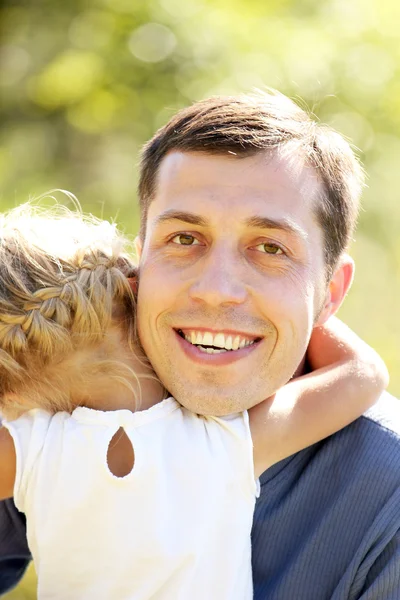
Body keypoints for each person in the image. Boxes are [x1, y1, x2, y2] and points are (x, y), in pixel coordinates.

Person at [0, 89, 399, 599]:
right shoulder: (50, 415)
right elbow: (364, 372)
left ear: (331, 291)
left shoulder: (387, 491)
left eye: (271, 248)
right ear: (138, 269)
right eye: (185, 239)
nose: (216, 290)